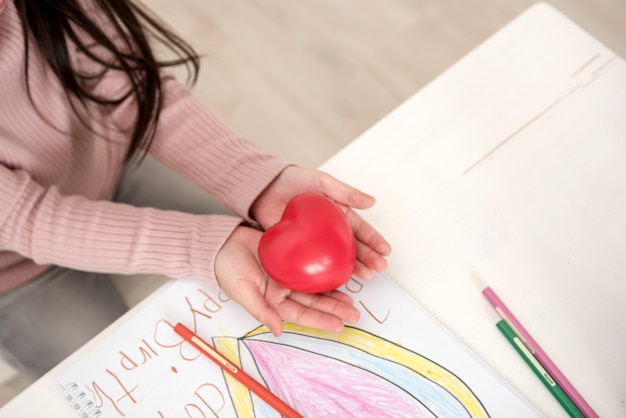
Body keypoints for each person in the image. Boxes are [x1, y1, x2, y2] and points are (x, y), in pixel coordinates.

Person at [0, 0, 391, 383]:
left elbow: (133, 88)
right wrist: (205, 248)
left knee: (255, 251)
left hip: (108, 166)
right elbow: (29, 220)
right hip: (13, 272)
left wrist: (260, 180)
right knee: (125, 377)